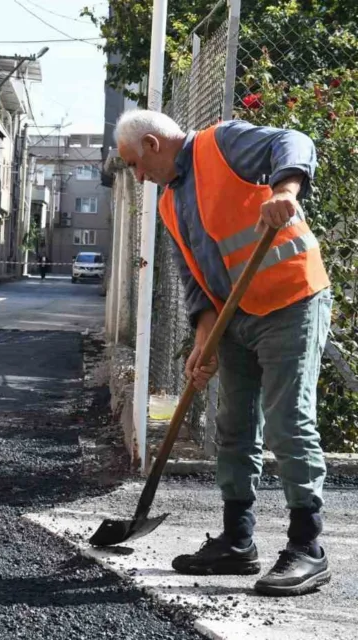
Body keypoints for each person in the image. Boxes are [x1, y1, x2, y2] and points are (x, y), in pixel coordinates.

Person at [114, 109, 334, 597]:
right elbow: (195, 278)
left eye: (134, 163)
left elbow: (294, 138)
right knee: (233, 426)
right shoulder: (171, 203)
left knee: (287, 421)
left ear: (152, 144)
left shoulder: (222, 143)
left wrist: (284, 192)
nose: (137, 175)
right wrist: (203, 338)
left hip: (291, 300)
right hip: (234, 319)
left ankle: (308, 549)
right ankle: (237, 541)